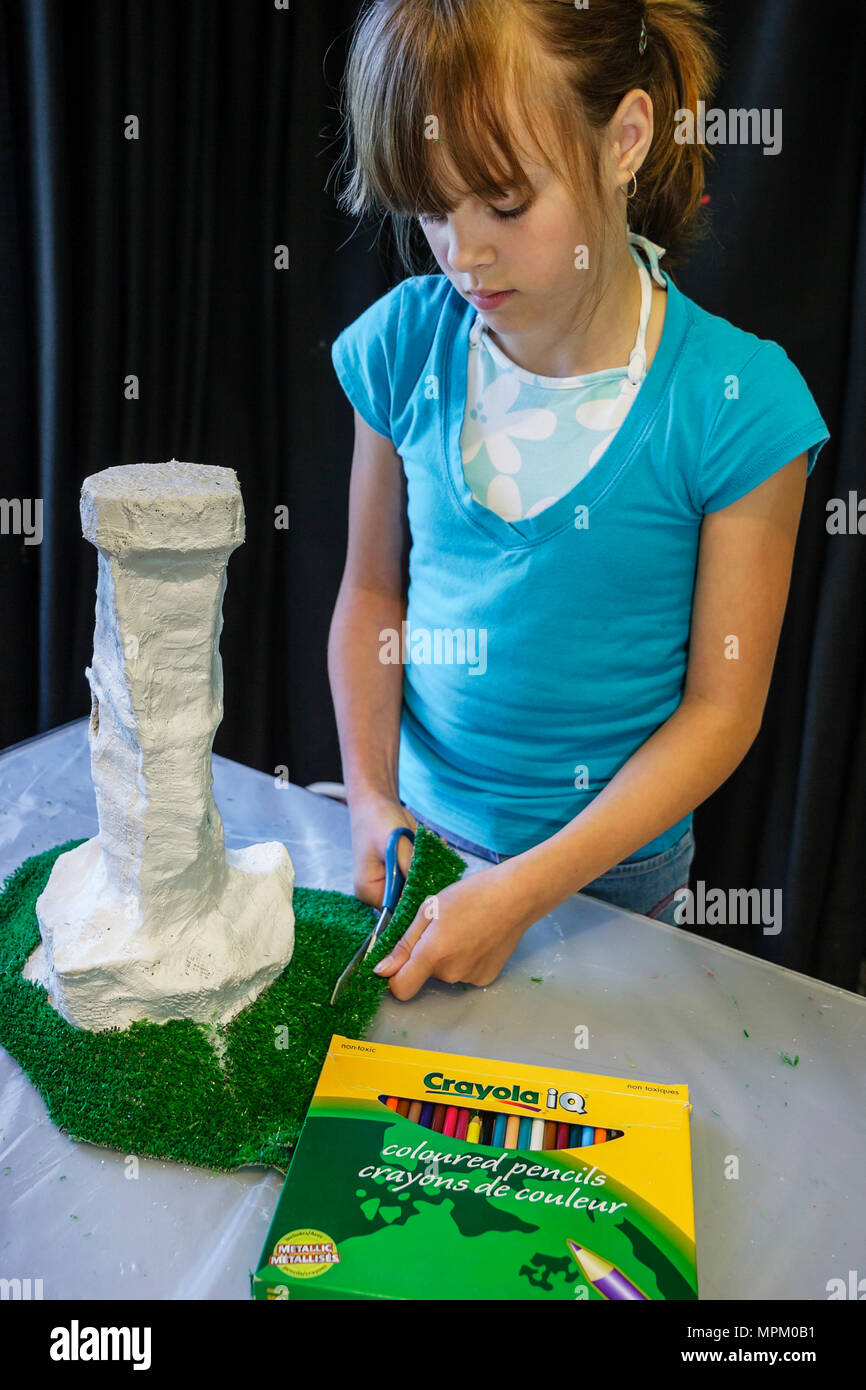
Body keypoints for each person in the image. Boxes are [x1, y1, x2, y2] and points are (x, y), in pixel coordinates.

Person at [326, 0, 829, 1000]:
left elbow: (720, 711)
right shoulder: (401, 347)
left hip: (613, 895)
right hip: (419, 848)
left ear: (623, 139)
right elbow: (371, 599)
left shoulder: (735, 403)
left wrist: (519, 892)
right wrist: (371, 799)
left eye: (504, 204)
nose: (460, 253)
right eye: (430, 208)